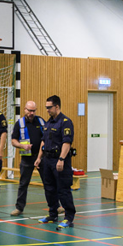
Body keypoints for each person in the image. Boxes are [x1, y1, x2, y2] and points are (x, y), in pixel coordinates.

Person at [38, 95, 76, 227]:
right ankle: (53, 214)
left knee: (63, 189)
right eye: (46, 107)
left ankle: (69, 217)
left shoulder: (65, 122)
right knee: (49, 188)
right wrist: (39, 158)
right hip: (47, 160)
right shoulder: (48, 123)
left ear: (57, 106)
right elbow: (43, 141)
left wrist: (61, 159)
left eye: (49, 107)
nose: (47, 110)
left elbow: (67, 142)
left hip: (59, 161)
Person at [9, 101, 45, 217]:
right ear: (25, 109)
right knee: (23, 184)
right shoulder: (19, 123)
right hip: (26, 159)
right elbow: (13, 140)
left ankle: (56, 205)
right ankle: (19, 208)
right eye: (29, 110)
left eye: (34, 110)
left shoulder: (41, 121)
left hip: (41, 158)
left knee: (48, 182)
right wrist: (22, 146)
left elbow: (46, 137)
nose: (31, 113)